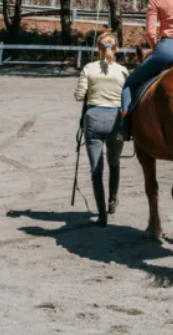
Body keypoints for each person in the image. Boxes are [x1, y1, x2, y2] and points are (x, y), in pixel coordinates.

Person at [75, 32, 128, 226]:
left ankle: (102, 214)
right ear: (116, 49)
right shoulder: (123, 71)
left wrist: (90, 90)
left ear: (98, 48)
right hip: (115, 119)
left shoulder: (89, 68)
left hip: (94, 118)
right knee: (114, 163)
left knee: (96, 169)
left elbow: (79, 96)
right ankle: (112, 200)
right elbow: (126, 97)